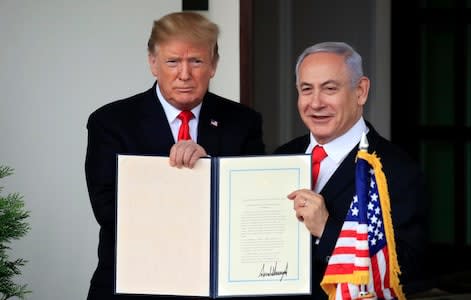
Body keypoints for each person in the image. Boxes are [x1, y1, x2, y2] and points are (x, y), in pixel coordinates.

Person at [84, 12, 264, 299]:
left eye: (196, 61)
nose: (184, 74)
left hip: (215, 286)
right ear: (153, 63)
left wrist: (209, 165)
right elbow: (108, 211)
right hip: (133, 286)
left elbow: (253, 206)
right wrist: (188, 180)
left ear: (214, 64)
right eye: (172, 61)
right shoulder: (111, 122)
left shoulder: (243, 122)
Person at [274, 42, 429, 299]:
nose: (315, 103)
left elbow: (407, 268)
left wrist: (327, 229)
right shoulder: (281, 156)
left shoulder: (396, 169)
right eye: (306, 89)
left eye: (330, 89)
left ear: (361, 91)